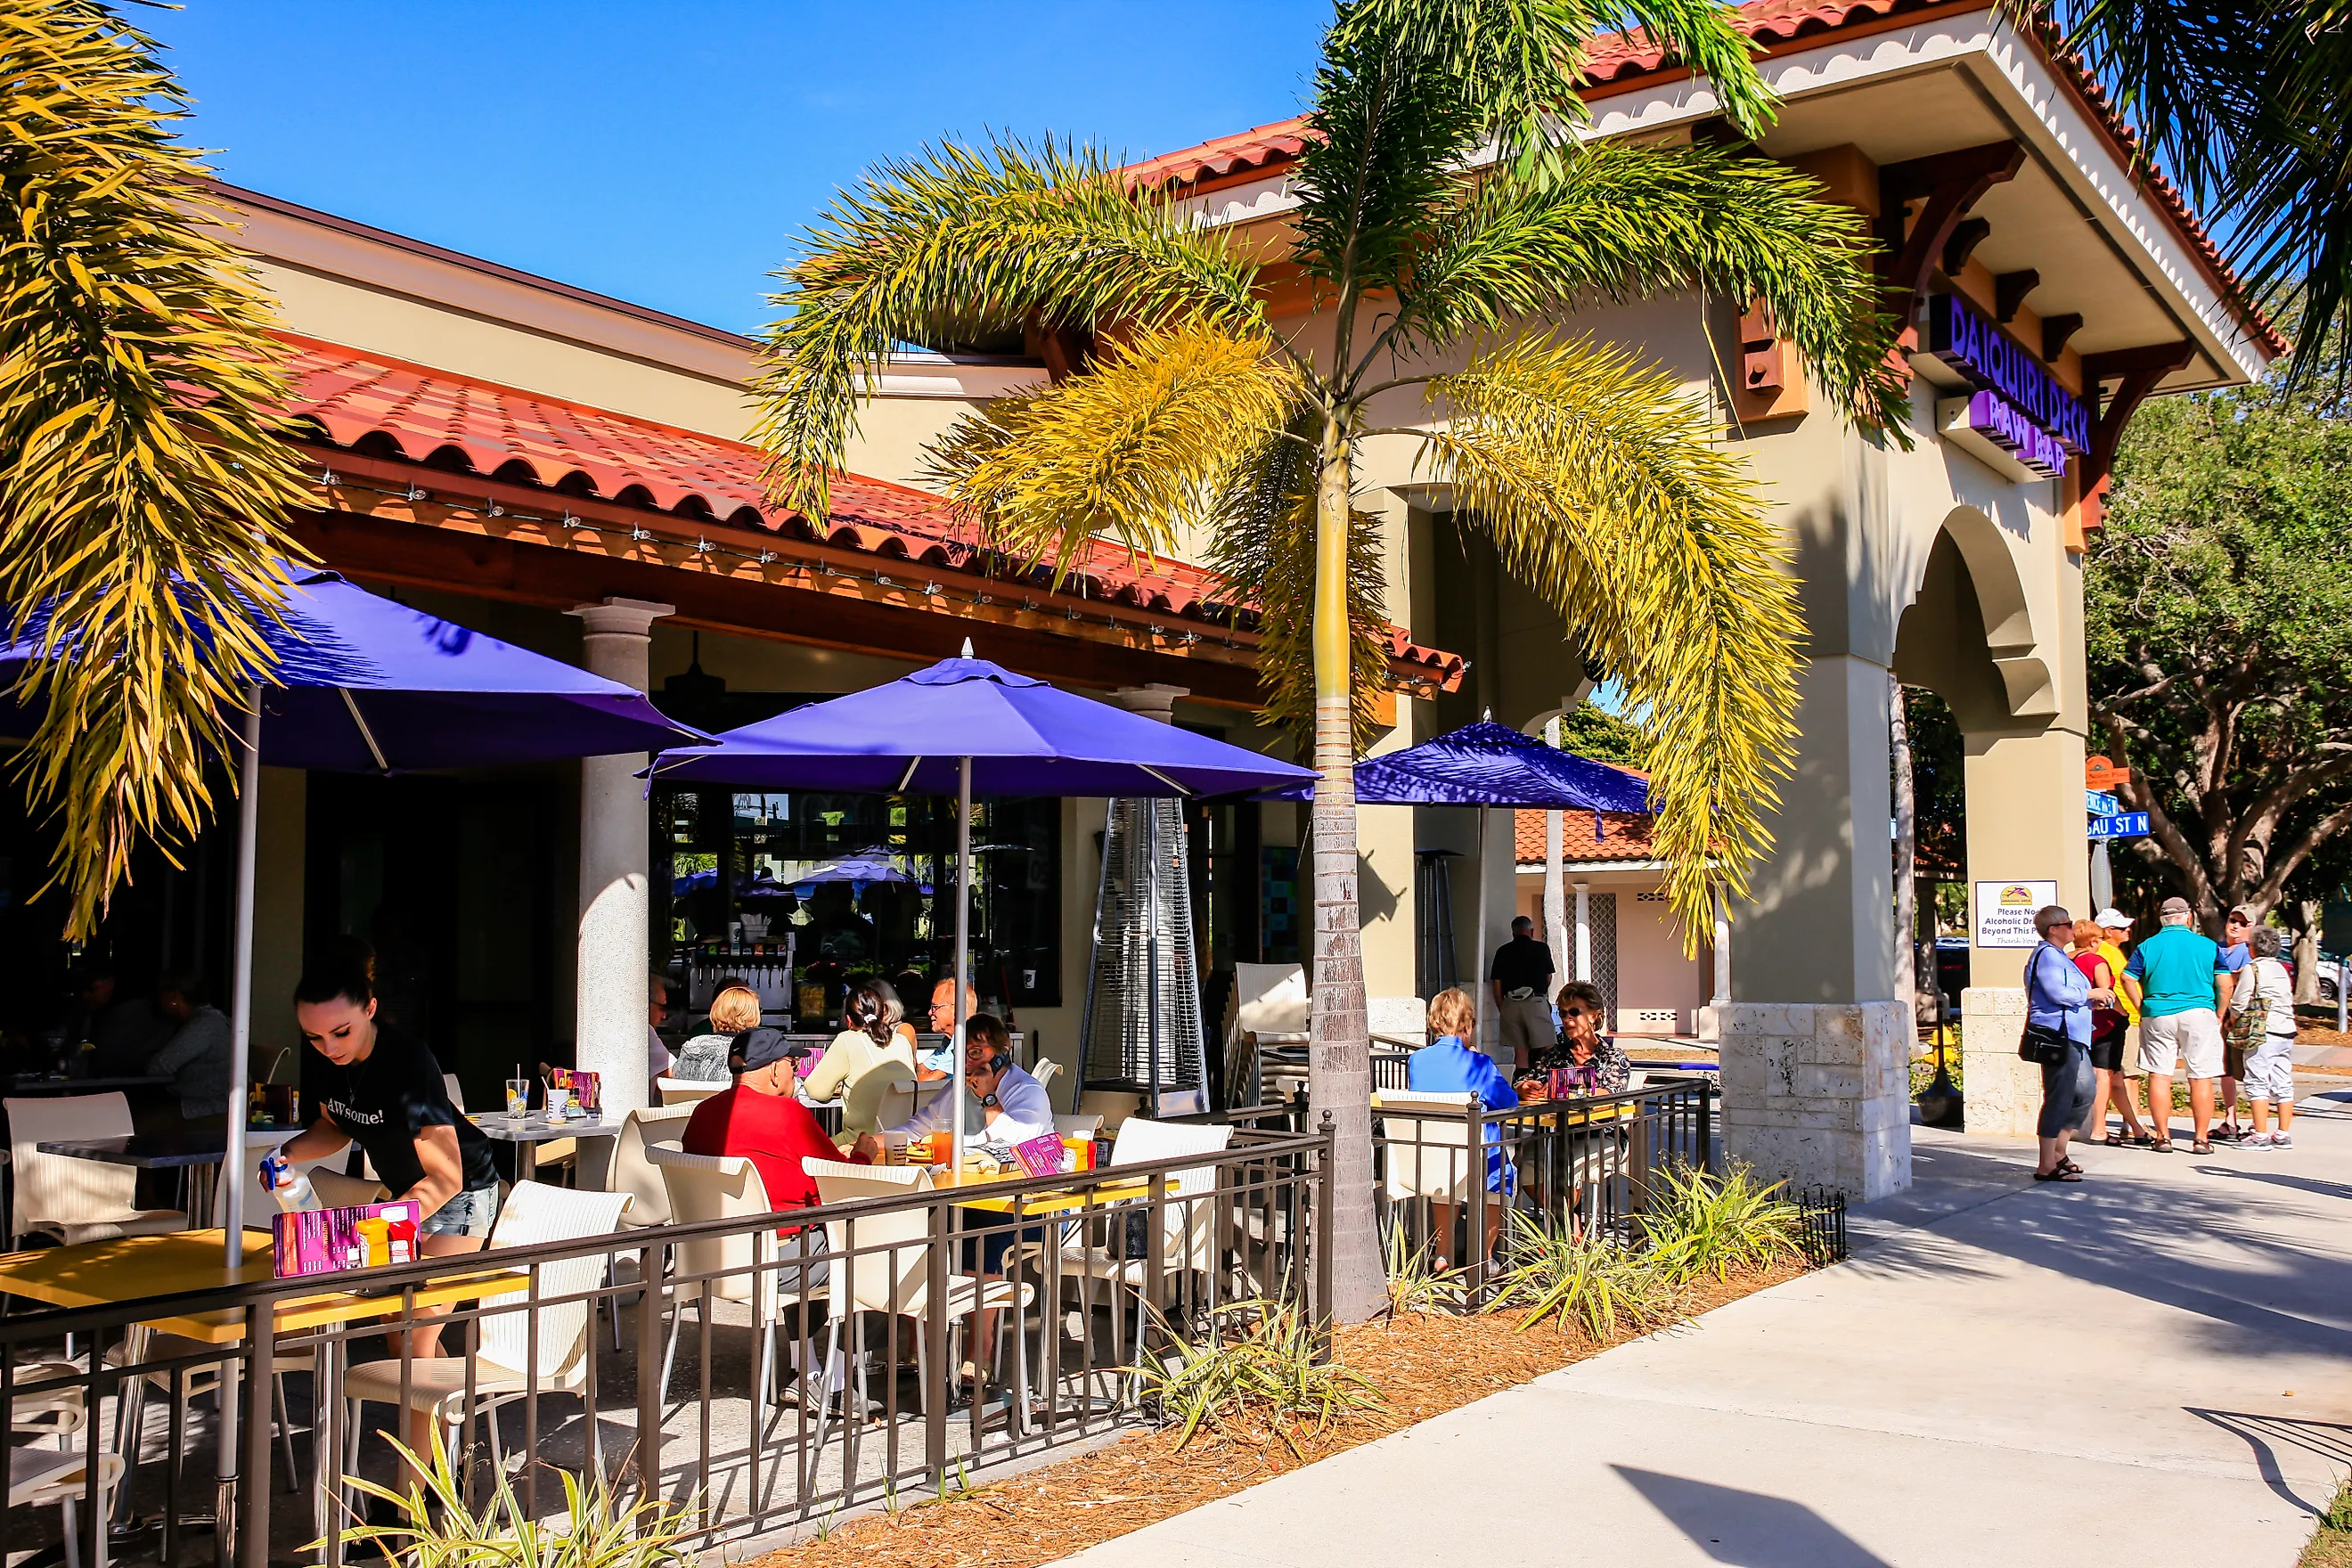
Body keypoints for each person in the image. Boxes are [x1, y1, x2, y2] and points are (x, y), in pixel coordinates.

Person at [271, 963, 503, 1461]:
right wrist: (288, 1153)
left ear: (370, 1009)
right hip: (403, 1197)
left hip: (461, 1195)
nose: (329, 1047)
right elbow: (338, 1126)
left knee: (416, 1333)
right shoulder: (328, 1059)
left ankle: (415, 1502)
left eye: (341, 1032)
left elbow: (448, 1179)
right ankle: (449, 1462)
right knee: (403, 1340)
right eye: (313, 1037)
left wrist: (388, 1224)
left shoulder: (407, 1061)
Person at [856, 1016, 1051, 1386]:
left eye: (977, 1052)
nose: (969, 1061)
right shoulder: (954, 1091)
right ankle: (921, 1347)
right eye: (963, 1053)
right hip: (957, 1193)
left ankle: (981, 1351)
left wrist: (988, 1096)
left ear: (1001, 1053)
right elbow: (920, 1127)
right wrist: (875, 1142)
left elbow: (1018, 1143)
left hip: (1013, 1202)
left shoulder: (1027, 1092)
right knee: (918, 1236)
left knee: (980, 1239)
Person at [682, 1026, 862, 1217]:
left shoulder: (701, 1112)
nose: (795, 1073)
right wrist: (862, 1156)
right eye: (792, 1064)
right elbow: (843, 1180)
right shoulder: (789, 1113)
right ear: (774, 1071)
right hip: (789, 1238)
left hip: (709, 1238)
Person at [1406, 987, 1517, 1270]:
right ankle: (1485, 1255)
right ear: (1467, 1025)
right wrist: (1480, 1059)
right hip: (1476, 1159)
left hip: (1432, 1156)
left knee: (1445, 1181)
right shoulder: (1479, 1064)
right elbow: (1509, 1101)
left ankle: (1443, 1253)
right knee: (1502, 1174)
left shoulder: (1417, 1060)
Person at [2124, 895, 2234, 1153]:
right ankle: (2201, 1140)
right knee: (2200, 1077)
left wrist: (2141, 1006)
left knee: (2160, 1075)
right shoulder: (2207, 946)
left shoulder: (2147, 946)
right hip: (2199, 1012)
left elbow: (2128, 978)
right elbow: (2225, 984)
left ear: (2163, 919)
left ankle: (2162, 1137)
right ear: (2188, 917)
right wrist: (2219, 1012)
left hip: (2157, 1013)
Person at [2026, 905, 2105, 1183]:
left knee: (2085, 1091)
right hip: (2059, 1035)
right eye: (2068, 923)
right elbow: (2057, 992)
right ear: (2054, 929)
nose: (2073, 928)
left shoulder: (2060, 956)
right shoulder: (2048, 955)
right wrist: (2089, 993)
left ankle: (2059, 1151)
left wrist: (2088, 998)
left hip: (2075, 1034)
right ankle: (2046, 1164)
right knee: (2059, 1096)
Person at [2071, 918, 2149, 1147]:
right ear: (2095, 940)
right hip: (2106, 1025)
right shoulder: (2097, 961)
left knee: (2115, 1078)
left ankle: (2136, 1127)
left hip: (2081, 1024)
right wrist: (2123, 1013)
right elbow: (2106, 995)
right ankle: (2099, 1130)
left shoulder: (2066, 960)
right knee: (2103, 1075)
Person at [801, 983, 917, 1134]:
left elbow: (816, 1091)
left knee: (808, 1155)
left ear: (848, 1020)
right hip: (903, 1142)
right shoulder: (902, 1042)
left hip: (860, 1143)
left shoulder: (847, 1040)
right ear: (883, 1014)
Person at [2234, 924, 2299, 1149]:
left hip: (2263, 1030)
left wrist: (2232, 1018)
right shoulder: (2282, 968)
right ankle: (2282, 1133)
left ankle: (2260, 1135)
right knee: (2283, 1080)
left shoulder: (2252, 969)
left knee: (2257, 1080)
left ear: (2253, 947)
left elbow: (2240, 1001)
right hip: (2286, 1029)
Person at [147, 969, 233, 1124]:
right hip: (205, 1099)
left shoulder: (205, 1025)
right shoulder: (206, 1020)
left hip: (214, 1105)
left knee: (144, 1120)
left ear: (174, 997)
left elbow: (159, 1066)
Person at [1520, 980, 1630, 1098]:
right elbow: (1526, 1081)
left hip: (1595, 1116)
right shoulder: (1554, 1055)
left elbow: (1611, 1094)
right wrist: (1522, 1089)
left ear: (1593, 1016)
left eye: (1574, 1012)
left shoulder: (1613, 1057)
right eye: (1563, 1013)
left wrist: (1567, 1093)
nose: (1567, 1018)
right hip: (1555, 1117)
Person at [69, 962, 169, 1077]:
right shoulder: (91, 1010)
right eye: (81, 990)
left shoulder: (129, 1012)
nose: (85, 995)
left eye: (93, 988)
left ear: (110, 983)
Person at [1488, 915, 1556, 1070]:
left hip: (1511, 1003)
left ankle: (1522, 1087)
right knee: (1548, 1046)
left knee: (1520, 1051)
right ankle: (1551, 1084)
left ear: (1513, 933)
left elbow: (1496, 982)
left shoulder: (1503, 951)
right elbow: (1548, 976)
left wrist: (1502, 1006)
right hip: (1535, 1001)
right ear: (1531, 932)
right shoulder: (1541, 948)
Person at [2214, 906, 2258, 1140]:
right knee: (2226, 1070)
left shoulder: (2251, 951)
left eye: (2242, 923)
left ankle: (2255, 1122)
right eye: (2233, 920)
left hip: (2244, 1018)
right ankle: (2230, 1121)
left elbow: (2238, 980)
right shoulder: (2216, 949)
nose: (2235, 926)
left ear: (2251, 927)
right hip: (2221, 1016)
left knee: (2252, 1069)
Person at [674, 985, 763, 1082]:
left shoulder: (691, 1047)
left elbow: (676, 1080)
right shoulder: (756, 1051)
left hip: (694, 1097)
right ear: (752, 1016)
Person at [919, 978, 980, 1082]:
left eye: (935, 1007)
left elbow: (930, 1081)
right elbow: (922, 1070)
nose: (930, 1012)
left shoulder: (965, 1040)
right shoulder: (950, 1040)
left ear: (956, 1009)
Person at [647, 971, 676, 1094]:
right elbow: (675, 1073)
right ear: (646, 1004)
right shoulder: (644, 1032)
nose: (664, 1016)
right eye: (661, 1008)